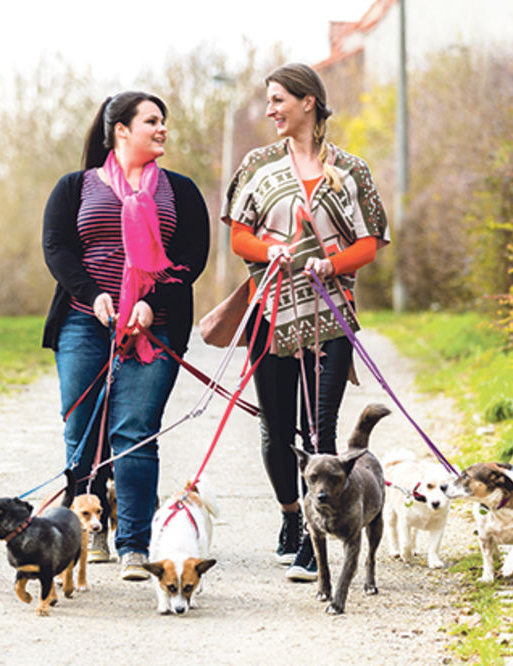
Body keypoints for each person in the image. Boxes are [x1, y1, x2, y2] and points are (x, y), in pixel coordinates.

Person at [221, 63, 389, 581]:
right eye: (269, 101)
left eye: (278, 100)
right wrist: (272, 249)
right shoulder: (258, 164)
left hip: (330, 314)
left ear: (308, 102)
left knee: (322, 427)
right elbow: (238, 235)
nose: (270, 110)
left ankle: (318, 535)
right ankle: (292, 519)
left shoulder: (351, 170)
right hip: (270, 310)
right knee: (276, 429)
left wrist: (330, 263)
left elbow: (371, 242)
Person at [41, 92, 210, 581]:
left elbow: (191, 260)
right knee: (81, 432)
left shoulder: (180, 191)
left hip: (154, 329)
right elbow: (57, 249)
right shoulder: (76, 186)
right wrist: (94, 295)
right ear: (120, 130)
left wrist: (150, 304)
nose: (162, 129)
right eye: (152, 121)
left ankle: (134, 545)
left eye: (163, 122)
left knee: (135, 433)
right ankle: (83, 534)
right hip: (82, 321)